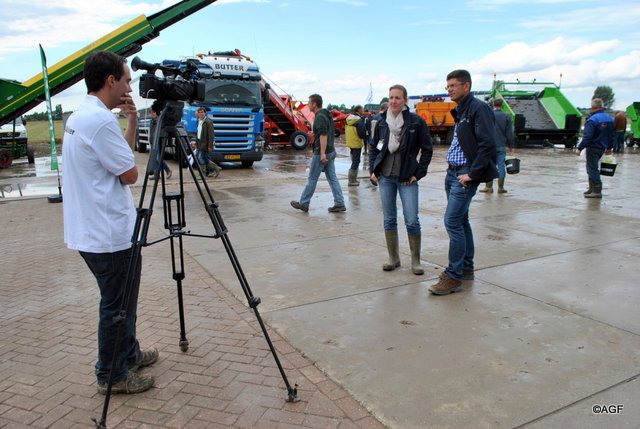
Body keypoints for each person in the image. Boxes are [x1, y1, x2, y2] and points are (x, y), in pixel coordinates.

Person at [62, 51, 157, 394]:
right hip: (108, 234)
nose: (130, 88)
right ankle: (111, 375)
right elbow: (130, 173)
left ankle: (129, 354)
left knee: (122, 302)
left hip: (92, 230)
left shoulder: (83, 116)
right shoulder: (100, 122)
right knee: (116, 307)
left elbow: (119, 159)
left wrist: (131, 122)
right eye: (127, 81)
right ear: (110, 80)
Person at [429, 69, 498, 295]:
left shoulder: (478, 108)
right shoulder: (461, 109)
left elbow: (488, 143)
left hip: (464, 174)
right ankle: (466, 268)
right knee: (462, 221)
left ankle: (453, 276)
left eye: (453, 86)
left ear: (466, 86)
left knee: (452, 222)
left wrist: (473, 174)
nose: (449, 90)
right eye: (447, 86)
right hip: (453, 172)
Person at [369, 84, 433, 275]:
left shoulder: (415, 122)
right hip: (386, 177)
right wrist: (374, 169)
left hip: (407, 179)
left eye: (397, 97)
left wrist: (418, 173)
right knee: (389, 219)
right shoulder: (380, 121)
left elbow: (427, 150)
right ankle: (393, 258)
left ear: (405, 100)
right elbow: (373, 147)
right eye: (391, 97)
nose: (394, 101)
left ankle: (415, 261)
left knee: (412, 220)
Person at [291, 94, 346, 213]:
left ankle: (304, 203)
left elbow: (323, 135)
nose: (307, 105)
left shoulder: (320, 117)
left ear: (315, 104)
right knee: (332, 178)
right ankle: (340, 203)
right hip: (330, 151)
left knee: (312, 178)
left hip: (322, 152)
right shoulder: (326, 114)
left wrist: (322, 153)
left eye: (309, 103)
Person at [575, 98, 614, 198]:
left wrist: (579, 148)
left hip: (593, 147)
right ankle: (591, 189)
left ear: (593, 107)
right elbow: (612, 135)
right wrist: (609, 147)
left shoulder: (592, 120)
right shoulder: (610, 119)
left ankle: (596, 190)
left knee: (592, 169)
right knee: (592, 168)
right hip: (602, 148)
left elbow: (587, 137)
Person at [479, 98, 514, 194]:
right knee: (501, 166)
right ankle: (501, 188)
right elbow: (509, 133)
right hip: (501, 145)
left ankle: (488, 187)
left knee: (489, 165)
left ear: (493, 104)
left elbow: (482, 130)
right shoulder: (506, 116)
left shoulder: (488, 115)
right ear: (502, 105)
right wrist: (511, 146)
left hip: (489, 145)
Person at [147, 101, 172, 180]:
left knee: (158, 158)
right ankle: (156, 174)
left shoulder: (160, 120)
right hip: (153, 141)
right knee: (154, 158)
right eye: (151, 112)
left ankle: (168, 170)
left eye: (154, 112)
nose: (153, 114)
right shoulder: (151, 121)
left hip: (158, 141)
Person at [195, 106, 222, 178]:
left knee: (200, 158)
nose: (201, 114)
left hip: (205, 144)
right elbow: (198, 133)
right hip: (199, 143)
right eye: (199, 112)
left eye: (202, 112)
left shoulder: (208, 122)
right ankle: (216, 168)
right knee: (205, 159)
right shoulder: (198, 121)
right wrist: (196, 143)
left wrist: (210, 146)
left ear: (205, 113)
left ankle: (202, 174)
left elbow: (211, 135)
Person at [345, 105, 367, 186]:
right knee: (356, 161)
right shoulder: (358, 120)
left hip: (350, 142)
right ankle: (352, 181)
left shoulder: (348, 119)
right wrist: (365, 135)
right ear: (359, 110)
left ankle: (353, 179)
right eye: (362, 109)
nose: (363, 111)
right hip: (356, 142)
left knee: (354, 160)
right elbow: (362, 133)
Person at [368, 102, 388, 187]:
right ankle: (376, 174)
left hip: (372, 141)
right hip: (380, 141)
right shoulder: (383, 118)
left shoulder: (373, 117)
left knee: (372, 157)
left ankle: (372, 173)